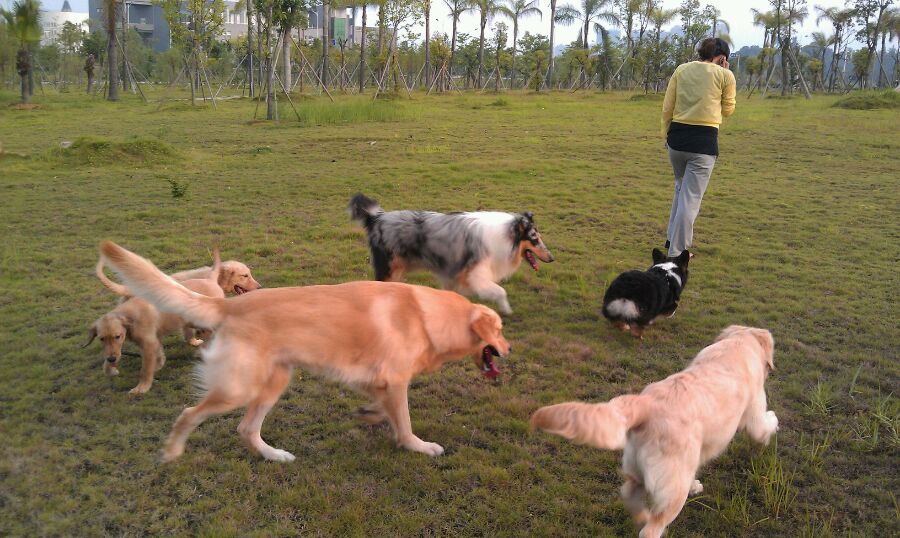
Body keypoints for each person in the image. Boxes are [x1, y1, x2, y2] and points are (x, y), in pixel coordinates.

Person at [661, 37, 736, 258]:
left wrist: (665, 135)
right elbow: (728, 110)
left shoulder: (681, 69)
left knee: (680, 188)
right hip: (703, 144)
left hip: (676, 139)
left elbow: (668, 106)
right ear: (722, 58)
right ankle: (677, 252)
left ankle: (671, 239)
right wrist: (725, 75)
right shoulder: (725, 75)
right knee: (691, 198)